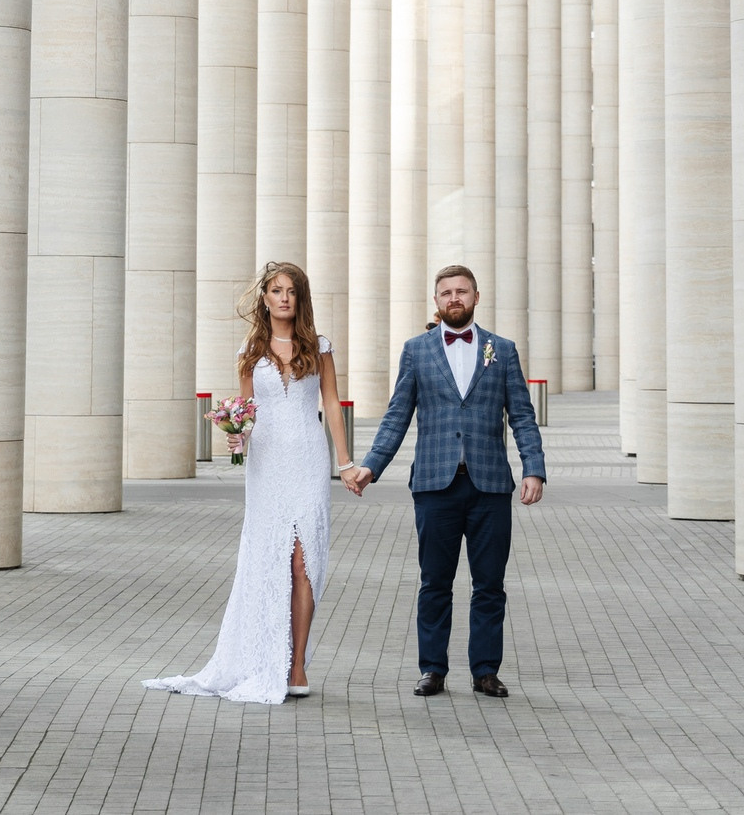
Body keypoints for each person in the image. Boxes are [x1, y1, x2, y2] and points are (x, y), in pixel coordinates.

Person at [144, 261, 356, 704]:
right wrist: (237, 435)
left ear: (301, 298)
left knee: (305, 560)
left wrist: (346, 461)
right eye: (276, 290)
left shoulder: (319, 346)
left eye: (291, 291)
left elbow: (332, 404)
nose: (283, 297)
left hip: (307, 458)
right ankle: (265, 658)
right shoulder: (251, 350)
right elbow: (247, 410)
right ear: (264, 298)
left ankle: (295, 664)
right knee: (270, 560)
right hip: (266, 465)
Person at [341, 264, 547, 697]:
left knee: (489, 584)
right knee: (435, 581)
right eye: (446, 292)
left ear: (476, 296)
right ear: (436, 301)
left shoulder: (502, 350)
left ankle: (485, 671)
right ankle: (432, 668)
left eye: (462, 291)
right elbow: (398, 414)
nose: (455, 298)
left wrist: (533, 468)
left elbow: (523, 415)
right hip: (435, 485)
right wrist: (370, 466)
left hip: (490, 484)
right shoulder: (417, 350)